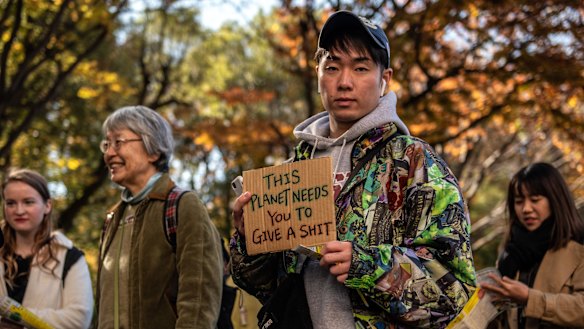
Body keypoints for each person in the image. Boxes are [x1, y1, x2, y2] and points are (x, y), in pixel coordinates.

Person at [230, 10, 477, 328]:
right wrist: (249, 242)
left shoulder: (414, 163)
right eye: (332, 67)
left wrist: (369, 267)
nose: (344, 82)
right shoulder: (290, 174)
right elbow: (264, 286)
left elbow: (455, 294)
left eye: (360, 68)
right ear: (318, 73)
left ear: (384, 79)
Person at [96, 105, 223, 329]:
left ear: (153, 150)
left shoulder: (183, 206)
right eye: (107, 144)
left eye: (118, 142)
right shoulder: (113, 217)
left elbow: (199, 301)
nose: (108, 153)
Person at [481, 163, 584, 328]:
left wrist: (530, 298)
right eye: (519, 201)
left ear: (555, 200)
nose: (526, 209)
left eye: (535, 200)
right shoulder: (510, 252)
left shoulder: (579, 248)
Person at [0, 169, 94, 329]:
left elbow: (78, 320)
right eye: (11, 203)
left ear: (47, 206)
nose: (19, 210)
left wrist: (13, 313)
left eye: (28, 202)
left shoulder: (70, 257)